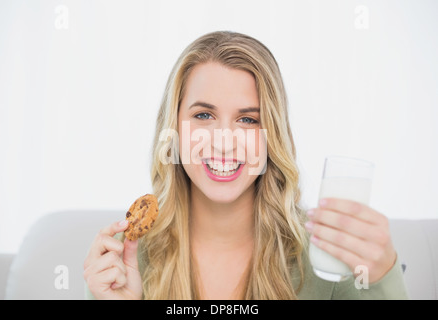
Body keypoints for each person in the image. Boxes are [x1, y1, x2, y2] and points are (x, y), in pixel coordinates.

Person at [83, 31, 408, 300]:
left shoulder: (327, 259)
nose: (224, 142)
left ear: (272, 137)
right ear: (174, 130)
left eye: (248, 119)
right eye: (204, 115)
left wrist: (383, 278)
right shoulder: (126, 261)